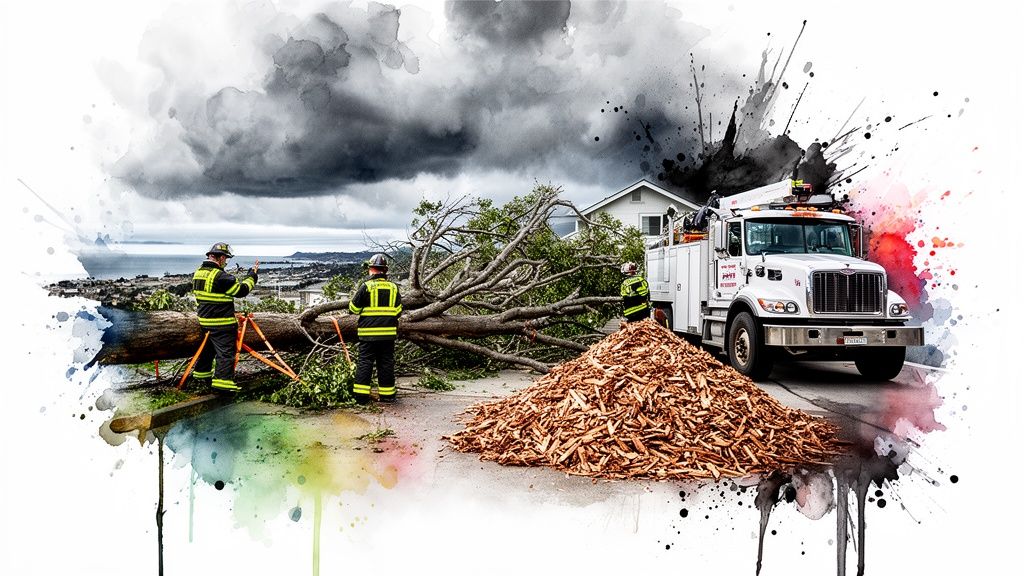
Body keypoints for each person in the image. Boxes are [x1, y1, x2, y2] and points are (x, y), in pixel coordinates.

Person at [190, 242, 258, 393]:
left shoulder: (198, 273)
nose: (226, 261)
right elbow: (241, 291)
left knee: (208, 351)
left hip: (204, 320)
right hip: (221, 323)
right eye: (225, 258)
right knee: (226, 353)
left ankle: (201, 377)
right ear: (219, 258)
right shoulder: (221, 276)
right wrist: (252, 276)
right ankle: (223, 384)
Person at [348, 253, 402, 404]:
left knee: (365, 362)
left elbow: (353, 308)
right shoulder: (393, 287)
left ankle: (361, 398)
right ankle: (388, 396)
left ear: (371, 269)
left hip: (368, 334)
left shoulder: (366, 287)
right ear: (385, 270)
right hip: (388, 335)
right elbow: (398, 310)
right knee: (386, 362)